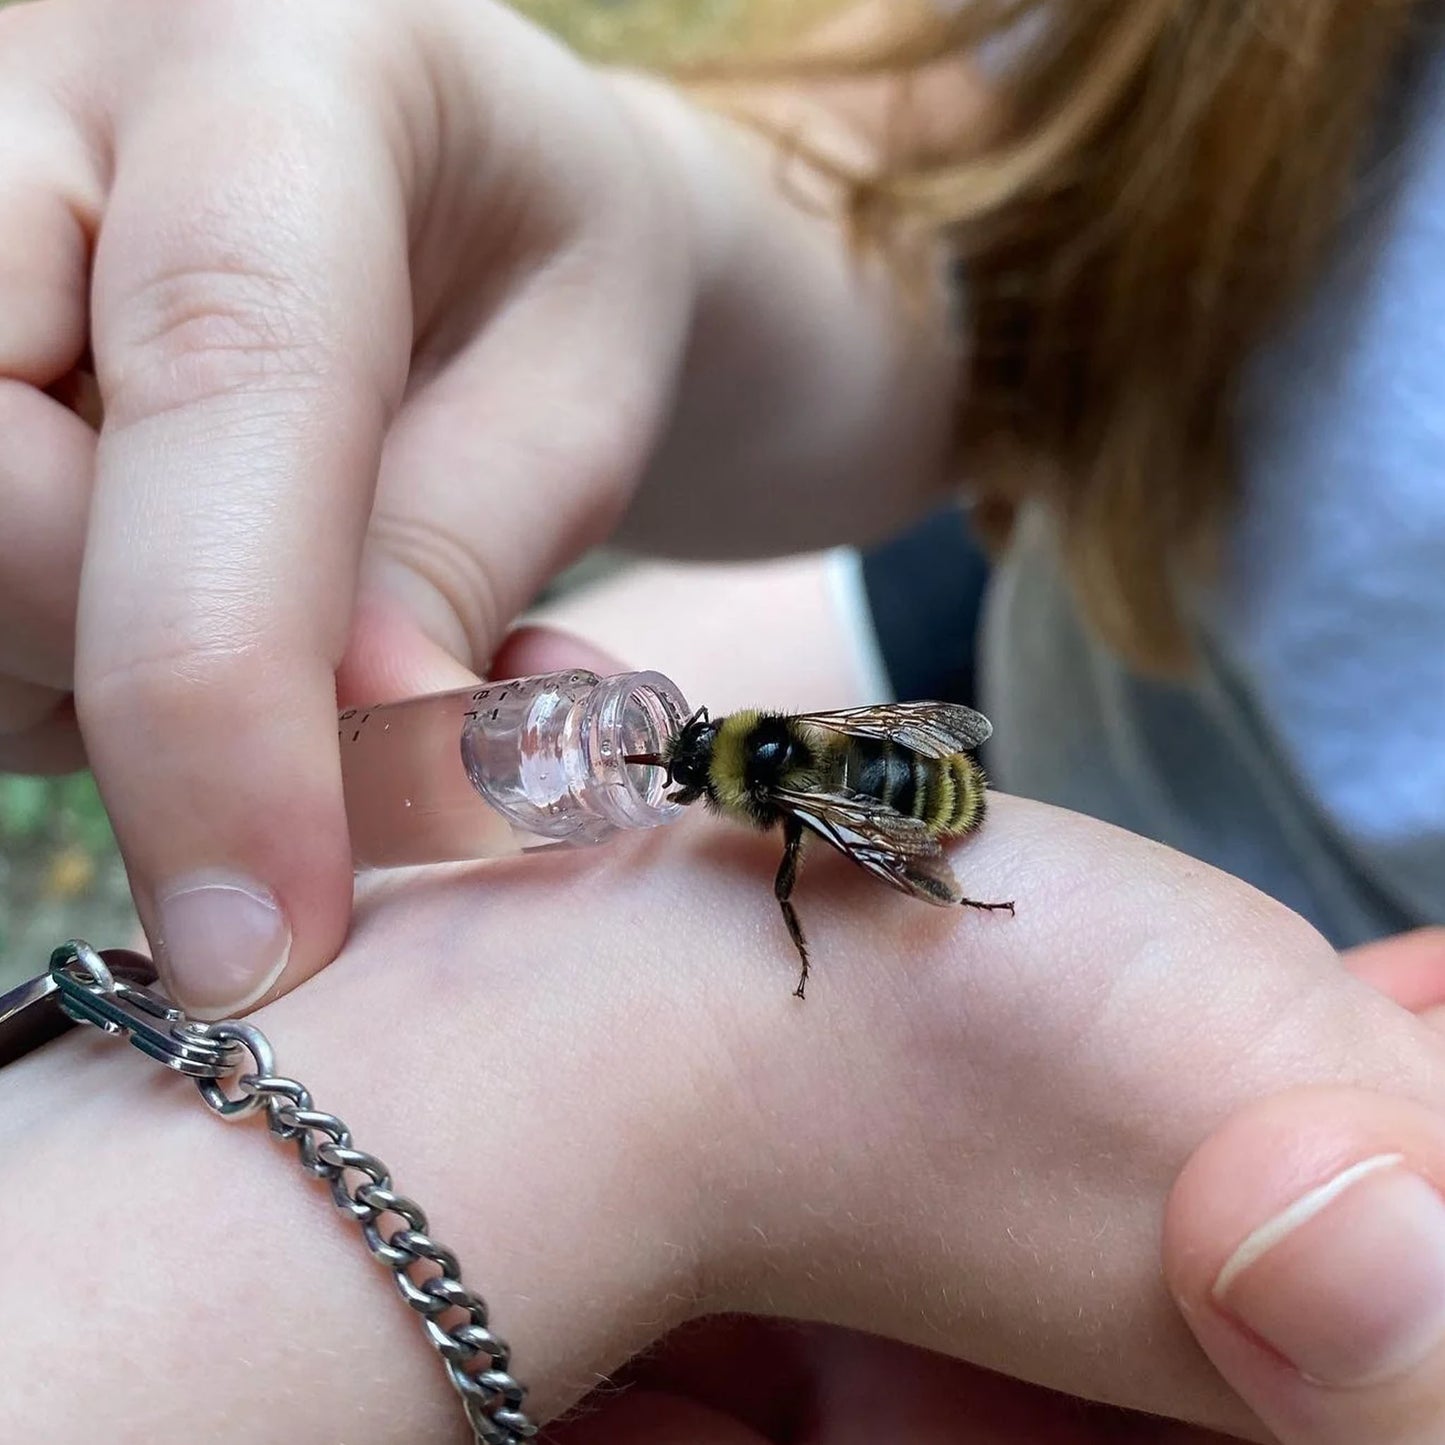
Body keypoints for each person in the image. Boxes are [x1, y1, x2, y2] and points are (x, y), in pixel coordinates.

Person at [0, 1, 1442, 1441]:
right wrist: (650, 218)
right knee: (420, 853)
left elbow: (807, 854)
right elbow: (987, 194)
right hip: (1052, 620)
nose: (678, 775)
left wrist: (704, 1054)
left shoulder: (792, 803)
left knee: (483, 951)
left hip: (1226, 992)